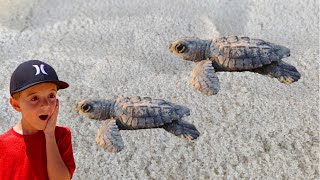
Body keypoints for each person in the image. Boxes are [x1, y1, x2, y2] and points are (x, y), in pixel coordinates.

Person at [0, 60, 76, 180]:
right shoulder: (2, 145)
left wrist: (49, 135)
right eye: (34, 98)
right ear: (16, 104)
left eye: (51, 96)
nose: (46, 105)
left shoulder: (61, 136)